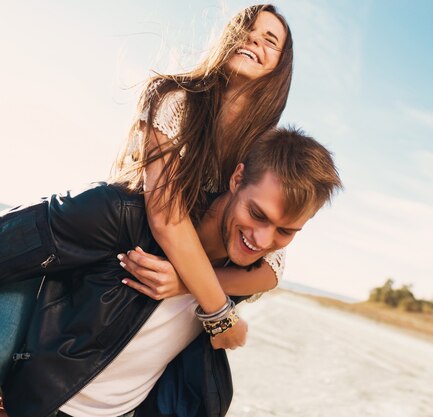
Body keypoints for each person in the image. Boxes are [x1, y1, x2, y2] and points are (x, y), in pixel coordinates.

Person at [0, 2, 294, 386]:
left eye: (268, 40)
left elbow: (272, 267)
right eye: (244, 30)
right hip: (81, 237)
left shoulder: (265, 152)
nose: (252, 40)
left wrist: (186, 282)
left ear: (280, 65)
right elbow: (167, 217)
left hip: (120, 280)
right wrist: (220, 312)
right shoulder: (176, 97)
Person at [0, 127, 343, 417]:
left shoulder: (248, 271)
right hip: (45, 405)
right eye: (258, 214)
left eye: (286, 231)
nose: (262, 240)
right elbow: (11, 240)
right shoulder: (123, 215)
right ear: (237, 179)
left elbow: (272, 272)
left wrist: (186, 283)